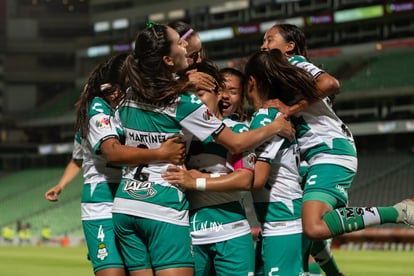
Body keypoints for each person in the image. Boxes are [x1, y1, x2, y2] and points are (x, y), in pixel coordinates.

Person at [110, 23, 295, 276]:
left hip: (125, 205)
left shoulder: (130, 94)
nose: (184, 46)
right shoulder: (183, 103)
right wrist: (274, 127)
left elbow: (112, 149)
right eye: (179, 42)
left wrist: (182, 79)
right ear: (166, 59)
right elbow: (237, 144)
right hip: (162, 206)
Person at [261, 23, 414, 274]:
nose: (263, 45)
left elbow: (330, 82)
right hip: (315, 156)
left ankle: (399, 211)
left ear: (289, 47)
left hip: (328, 151)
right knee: (308, 231)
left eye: (269, 39)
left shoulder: (294, 63)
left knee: (313, 226)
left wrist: (290, 109)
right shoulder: (281, 75)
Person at [162, 49, 320, 275]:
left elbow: (246, 178)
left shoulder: (240, 131)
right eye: (191, 94)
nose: (195, 101)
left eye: (201, 94)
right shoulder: (179, 132)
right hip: (190, 235)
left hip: (231, 232)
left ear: (218, 95)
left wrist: (197, 180)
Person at [45, 52, 185, 276]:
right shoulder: (98, 110)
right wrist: (161, 153)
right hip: (101, 202)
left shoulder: (128, 108)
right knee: (112, 272)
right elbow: (102, 155)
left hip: (130, 197)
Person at [168, 20, 216, 93]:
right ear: (169, 59)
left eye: (200, 50)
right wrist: (182, 84)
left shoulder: (208, 72)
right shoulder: (152, 83)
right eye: (193, 55)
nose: (199, 60)